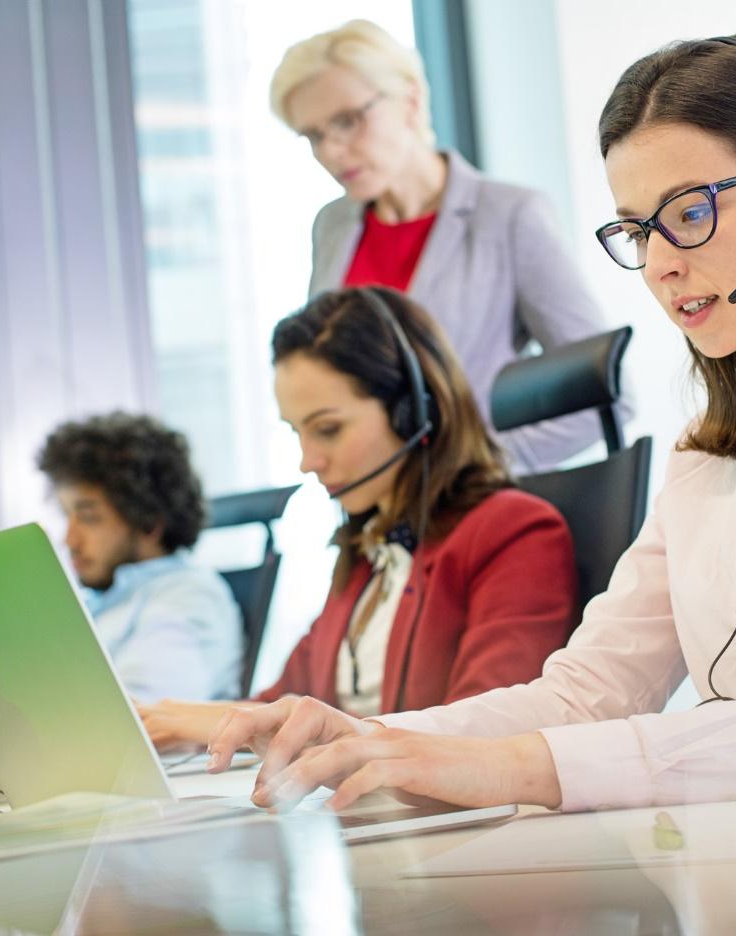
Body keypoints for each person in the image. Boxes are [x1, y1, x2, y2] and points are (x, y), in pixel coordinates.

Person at [202, 34, 736, 815]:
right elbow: (587, 694)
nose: (658, 264)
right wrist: (379, 741)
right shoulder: (715, 449)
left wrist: (509, 769)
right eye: (635, 229)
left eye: (689, 212)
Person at [140, 286, 578, 748]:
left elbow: (484, 738)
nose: (307, 461)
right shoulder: (368, 555)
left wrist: (259, 728)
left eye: (328, 429)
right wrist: (172, 721)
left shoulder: (514, 533)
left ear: (413, 410)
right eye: (297, 432)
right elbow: (282, 701)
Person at [271, 19, 631, 473]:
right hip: (371, 514)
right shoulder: (332, 226)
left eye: (347, 120)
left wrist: (469, 466)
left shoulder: (509, 216)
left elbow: (607, 396)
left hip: (476, 510)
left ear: (410, 101)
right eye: (315, 136)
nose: (333, 151)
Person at [0, 412, 242, 743]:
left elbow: (140, 726)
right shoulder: (94, 602)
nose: (69, 538)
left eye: (89, 516)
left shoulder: (189, 599)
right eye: (67, 516)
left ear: (149, 523)